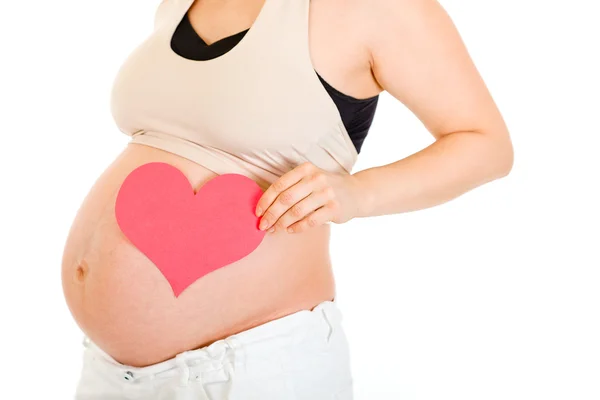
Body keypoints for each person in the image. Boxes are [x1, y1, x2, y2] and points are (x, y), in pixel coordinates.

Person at [62, 0, 514, 398]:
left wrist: (360, 193)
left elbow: (486, 144)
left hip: (251, 371)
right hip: (111, 374)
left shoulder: (374, 7)